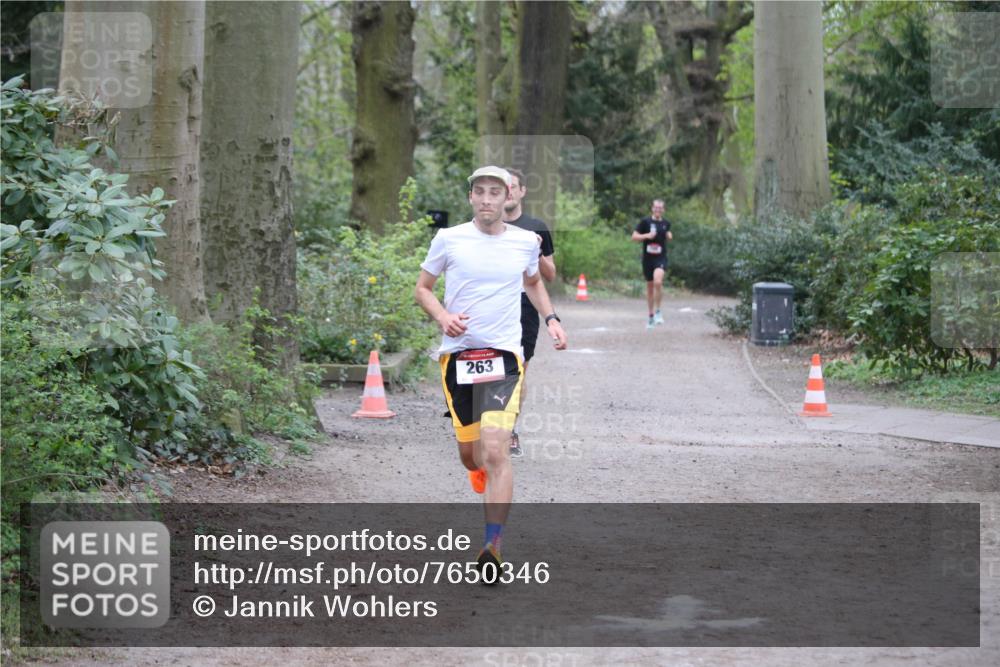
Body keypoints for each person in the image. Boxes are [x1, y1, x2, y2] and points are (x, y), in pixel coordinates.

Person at [414, 166, 568, 578]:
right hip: (458, 358)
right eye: (479, 192)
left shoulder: (525, 243)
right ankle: (480, 472)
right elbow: (422, 288)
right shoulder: (449, 239)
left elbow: (533, 283)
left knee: (497, 449)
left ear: (507, 198)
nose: (486, 199)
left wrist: (551, 318)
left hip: (504, 357)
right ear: (471, 198)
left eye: (494, 192)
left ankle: (492, 546)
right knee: (472, 456)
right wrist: (444, 317)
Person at [502, 167, 556, 458]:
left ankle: (509, 429)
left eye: (514, 186)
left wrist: (535, 252)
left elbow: (550, 275)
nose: (508, 191)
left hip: (524, 305)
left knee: (517, 372)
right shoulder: (484, 225)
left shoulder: (536, 226)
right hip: (492, 302)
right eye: (504, 186)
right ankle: (481, 426)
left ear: (522, 191)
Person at [631, 199, 673, 329]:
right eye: (656, 207)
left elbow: (668, 234)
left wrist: (669, 235)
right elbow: (634, 237)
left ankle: (658, 312)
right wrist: (646, 236)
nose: (658, 210)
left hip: (660, 258)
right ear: (652, 208)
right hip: (647, 259)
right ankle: (650, 316)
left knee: (658, 282)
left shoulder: (666, 223)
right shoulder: (645, 222)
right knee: (649, 288)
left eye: (660, 208)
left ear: (663, 210)